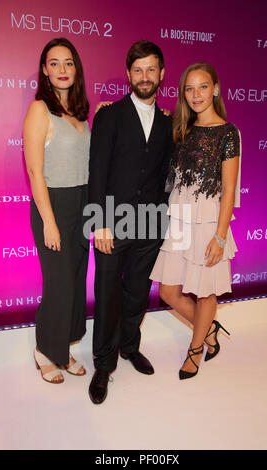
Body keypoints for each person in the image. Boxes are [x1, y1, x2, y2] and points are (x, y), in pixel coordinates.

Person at [86, 40, 174, 404]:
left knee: (137, 292)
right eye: (137, 70)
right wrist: (99, 222)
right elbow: (97, 171)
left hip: (151, 222)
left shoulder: (170, 121)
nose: (144, 76)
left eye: (151, 69)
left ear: (162, 74)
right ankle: (103, 365)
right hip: (112, 221)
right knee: (107, 292)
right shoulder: (109, 114)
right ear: (128, 75)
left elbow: (168, 172)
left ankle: (128, 347)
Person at [150, 62, 241, 380]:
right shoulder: (180, 127)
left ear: (215, 88)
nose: (196, 94)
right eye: (189, 88)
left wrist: (220, 236)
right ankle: (209, 329)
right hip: (180, 218)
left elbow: (229, 189)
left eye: (202, 86)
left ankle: (195, 349)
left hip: (208, 223)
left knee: (205, 292)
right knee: (168, 291)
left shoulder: (228, 133)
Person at [23, 37, 90, 384]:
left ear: (76, 68)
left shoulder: (81, 112)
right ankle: (44, 350)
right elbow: (35, 171)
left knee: (77, 283)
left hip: (81, 205)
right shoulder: (39, 109)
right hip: (54, 206)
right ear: (45, 70)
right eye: (54, 63)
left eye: (68, 62)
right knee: (59, 283)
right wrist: (49, 221)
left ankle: (63, 347)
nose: (62, 69)